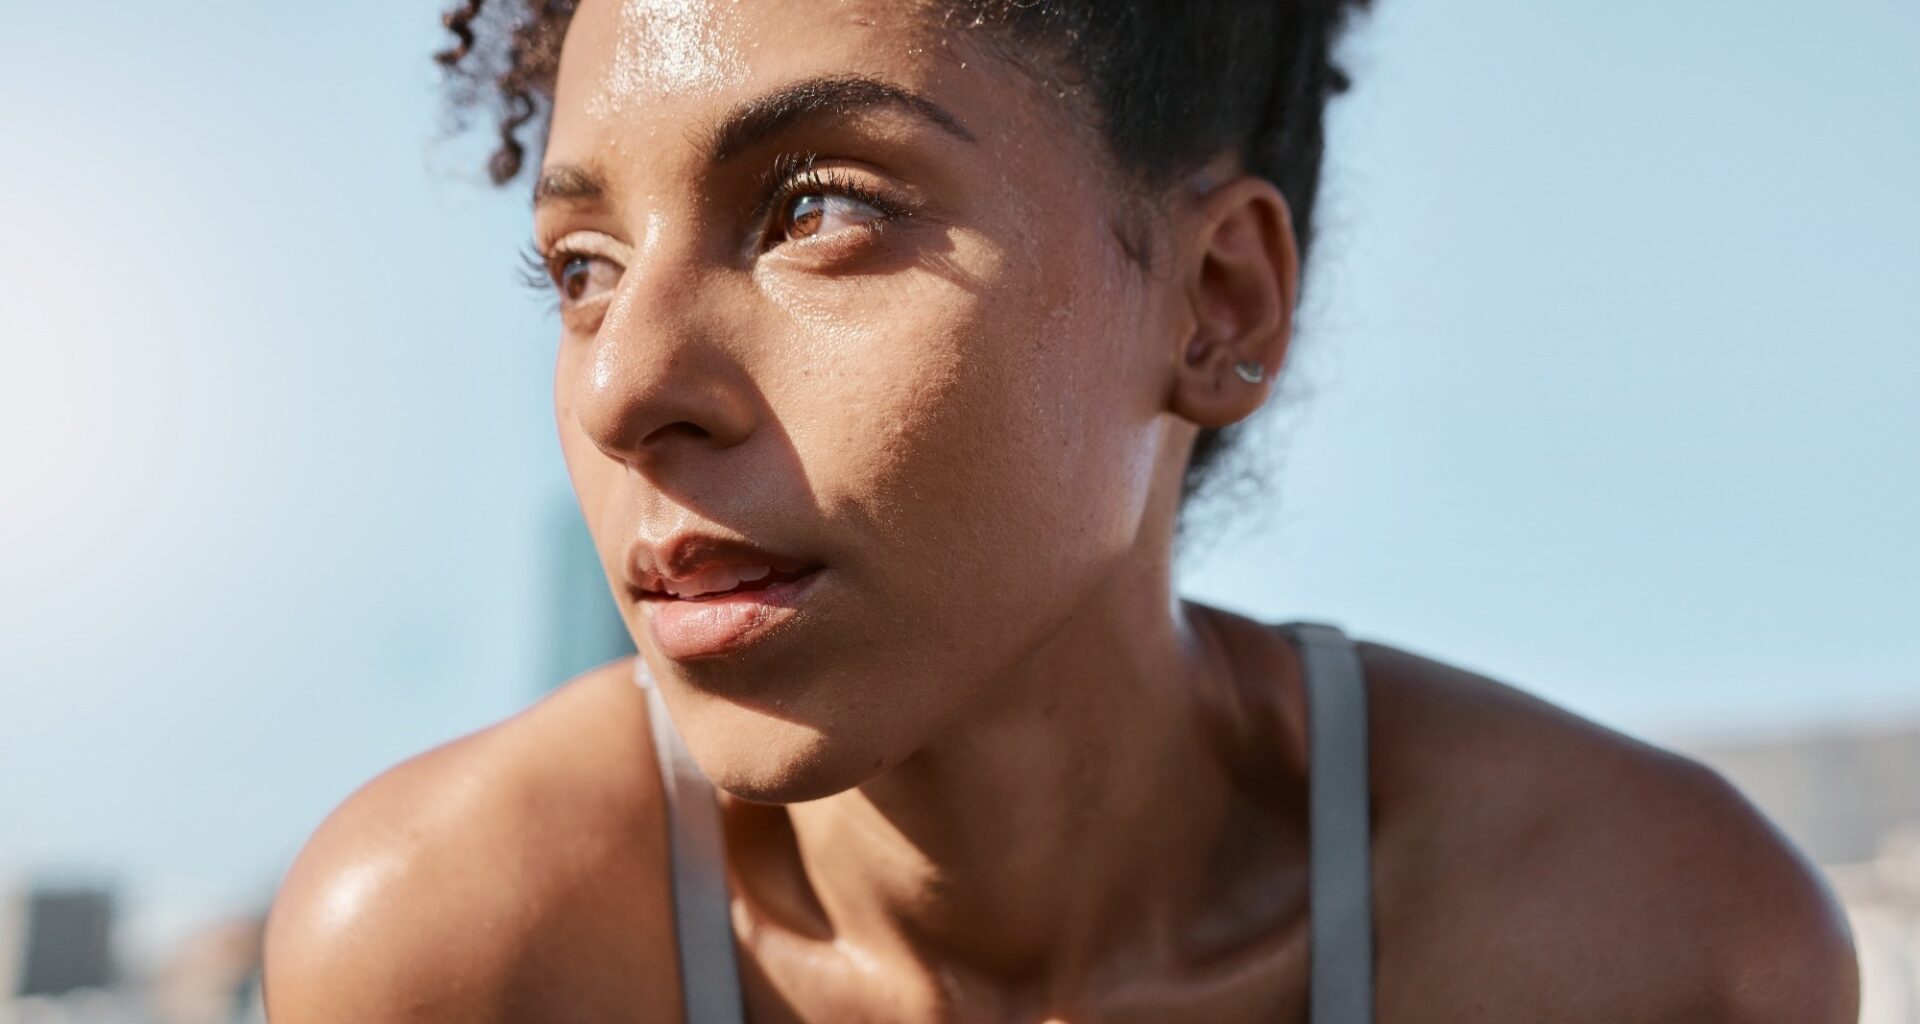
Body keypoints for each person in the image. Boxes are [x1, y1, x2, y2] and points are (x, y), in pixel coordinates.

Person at [261, 1, 1860, 1020]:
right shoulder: (454, 954)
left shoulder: (1641, 950)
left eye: (822, 209)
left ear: (1217, 298)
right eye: (583, 270)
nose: (625, 386)